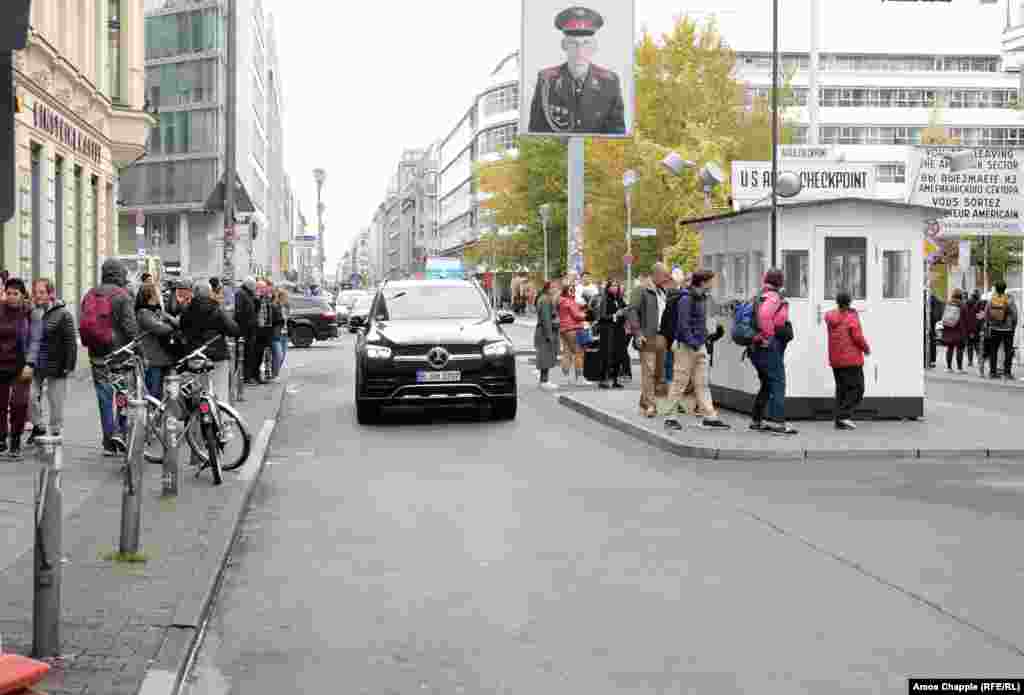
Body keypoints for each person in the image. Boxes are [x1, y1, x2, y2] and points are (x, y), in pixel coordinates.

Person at [527, 6, 625, 135]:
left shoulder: (609, 82)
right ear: (564, 45)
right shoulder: (546, 80)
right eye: (573, 43)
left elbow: (617, 134)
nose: (580, 51)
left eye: (586, 43)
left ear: (594, 46)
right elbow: (536, 132)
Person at [663, 270, 730, 431]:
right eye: (711, 281)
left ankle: (709, 416)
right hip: (686, 347)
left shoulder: (702, 298)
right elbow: (683, 325)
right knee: (680, 382)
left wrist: (706, 338)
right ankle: (670, 417)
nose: (713, 284)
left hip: (699, 345)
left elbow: (699, 322)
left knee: (702, 383)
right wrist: (693, 343)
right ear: (703, 282)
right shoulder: (686, 299)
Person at [85, 258, 139, 456]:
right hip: (119, 355)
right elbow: (130, 328)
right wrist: (140, 349)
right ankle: (120, 432)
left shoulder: (90, 293)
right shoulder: (122, 296)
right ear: (119, 274)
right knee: (122, 393)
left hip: (97, 354)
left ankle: (108, 442)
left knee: (104, 397)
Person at [27, 278, 76, 444]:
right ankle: (39, 425)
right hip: (35, 364)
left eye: (41, 292)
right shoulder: (32, 312)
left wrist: (69, 365)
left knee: (56, 403)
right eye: (35, 292)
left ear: (51, 294)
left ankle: (55, 433)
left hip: (57, 364)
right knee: (29, 396)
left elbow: (70, 341)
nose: (38, 295)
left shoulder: (63, 314)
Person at [749, 269, 797, 435]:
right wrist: (768, 337)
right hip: (768, 347)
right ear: (780, 281)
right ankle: (778, 423)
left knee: (767, 384)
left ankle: (757, 420)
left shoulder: (760, 295)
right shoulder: (773, 297)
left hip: (756, 347)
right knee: (778, 382)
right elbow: (765, 316)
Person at [180, 280, 240, 400]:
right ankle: (219, 410)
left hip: (196, 356)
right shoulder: (217, 309)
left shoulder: (187, 311)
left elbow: (183, 329)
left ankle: (199, 410)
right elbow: (234, 330)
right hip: (217, 355)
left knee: (197, 392)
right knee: (220, 390)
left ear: (194, 293)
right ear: (210, 293)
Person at [0, 279, 38, 459]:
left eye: (15, 294)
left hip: (21, 366)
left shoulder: (30, 313)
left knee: (18, 403)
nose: (11, 297)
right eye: (8, 293)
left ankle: (15, 440)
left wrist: (30, 363)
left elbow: (35, 340)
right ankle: (1, 439)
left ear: (23, 295)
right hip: (1, 364)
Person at [628, 263, 671, 417]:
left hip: (661, 336)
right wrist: (638, 333)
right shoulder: (641, 289)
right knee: (649, 372)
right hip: (647, 337)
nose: (666, 279)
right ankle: (650, 405)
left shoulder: (663, 291)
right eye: (665, 276)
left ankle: (644, 402)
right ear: (656, 274)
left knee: (659, 374)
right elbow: (632, 311)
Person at [825, 290, 871, 431]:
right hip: (851, 360)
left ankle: (839, 421)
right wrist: (866, 348)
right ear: (849, 302)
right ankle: (843, 416)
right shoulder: (851, 317)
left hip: (836, 360)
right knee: (858, 389)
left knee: (842, 389)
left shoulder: (831, 317)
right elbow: (857, 337)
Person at [136, 283, 178, 399]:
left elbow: (176, 322)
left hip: (163, 357)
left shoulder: (156, 311)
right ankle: (153, 410)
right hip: (153, 359)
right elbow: (160, 329)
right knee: (154, 393)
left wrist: (168, 318)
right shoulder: (143, 313)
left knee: (166, 392)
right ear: (151, 296)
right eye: (158, 293)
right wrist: (171, 326)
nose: (160, 296)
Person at [594, 279, 627, 389]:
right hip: (607, 330)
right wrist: (615, 315)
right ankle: (603, 379)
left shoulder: (619, 299)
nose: (615, 287)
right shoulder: (604, 299)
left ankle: (614, 379)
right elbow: (602, 316)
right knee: (607, 355)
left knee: (618, 354)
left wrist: (625, 312)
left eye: (617, 285)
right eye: (613, 285)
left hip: (619, 330)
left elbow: (625, 309)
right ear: (608, 288)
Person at [986, 281, 1017, 379]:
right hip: (1007, 329)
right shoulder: (1009, 300)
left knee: (993, 351)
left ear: (996, 288)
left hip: (994, 328)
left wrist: (989, 324)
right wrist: (1013, 326)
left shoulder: (992, 299)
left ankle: (992, 372)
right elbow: (1014, 315)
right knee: (1008, 351)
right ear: (1005, 288)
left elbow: (987, 313)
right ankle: (1007, 373)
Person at [533, 281, 561, 391]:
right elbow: (546, 319)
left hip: (544, 332)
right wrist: (549, 335)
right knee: (545, 357)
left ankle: (544, 380)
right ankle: (544, 381)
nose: (556, 290)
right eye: (554, 287)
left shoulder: (546, 298)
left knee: (546, 357)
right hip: (545, 333)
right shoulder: (545, 300)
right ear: (548, 289)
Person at [558, 284, 586, 384]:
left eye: (574, 290)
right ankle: (580, 378)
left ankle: (566, 377)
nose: (573, 292)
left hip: (563, 329)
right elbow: (577, 315)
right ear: (567, 291)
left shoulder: (561, 301)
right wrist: (586, 315)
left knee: (567, 353)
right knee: (579, 352)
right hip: (573, 328)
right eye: (571, 290)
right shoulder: (569, 301)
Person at [235, 276, 260, 384]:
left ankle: (246, 376)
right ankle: (244, 377)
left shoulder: (249, 294)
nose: (255, 288)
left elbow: (255, 309)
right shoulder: (240, 294)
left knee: (249, 353)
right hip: (245, 329)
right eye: (254, 286)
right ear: (249, 285)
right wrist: (245, 324)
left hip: (250, 329)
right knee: (244, 354)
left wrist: (256, 299)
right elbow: (239, 312)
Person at [940, 288, 968, 373]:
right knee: (959, 349)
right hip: (959, 329)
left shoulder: (948, 303)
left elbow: (943, 315)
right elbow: (966, 318)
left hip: (948, 328)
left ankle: (949, 368)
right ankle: (959, 369)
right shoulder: (962, 305)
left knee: (950, 348)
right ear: (961, 295)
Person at [270, 287, 290, 381]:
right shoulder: (275, 306)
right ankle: (274, 375)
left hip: (285, 334)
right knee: (279, 355)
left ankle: (276, 374)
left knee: (282, 356)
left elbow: (287, 319)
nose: (286, 299)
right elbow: (275, 320)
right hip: (276, 334)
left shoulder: (286, 307)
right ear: (280, 297)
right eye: (285, 296)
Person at [964, 289, 983, 369]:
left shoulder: (967, 303)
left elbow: (966, 316)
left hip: (968, 327)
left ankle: (970, 361)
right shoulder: (980, 303)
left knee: (969, 345)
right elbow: (980, 316)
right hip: (976, 327)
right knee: (977, 345)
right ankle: (979, 360)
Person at [928, 292, 944, 369]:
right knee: (932, 341)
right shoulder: (937, 300)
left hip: (930, 323)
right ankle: (932, 360)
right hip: (933, 324)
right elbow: (938, 315)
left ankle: (930, 360)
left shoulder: (932, 300)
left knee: (930, 341)